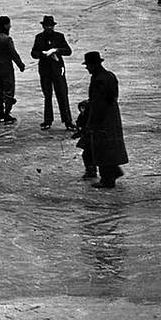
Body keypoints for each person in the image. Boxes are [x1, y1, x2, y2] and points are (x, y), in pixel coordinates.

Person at [81, 51, 127, 189]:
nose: (87, 68)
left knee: (102, 149)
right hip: (112, 116)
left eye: (88, 65)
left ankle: (107, 180)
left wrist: (92, 123)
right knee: (109, 147)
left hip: (102, 118)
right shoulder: (109, 75)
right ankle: (113, 172)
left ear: (94, 65)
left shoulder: (99, 80)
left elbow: (98, 103)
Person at [31, 15, 74, 130]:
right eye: (47, 26)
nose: (49, 28)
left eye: (51, 26)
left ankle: (68, 121)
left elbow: (68, 51)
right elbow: (33, 53)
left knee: (62, 95)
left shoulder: (59, 37)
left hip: (57, 70)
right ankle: (48, 120)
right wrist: (43, 54)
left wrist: (56, 50)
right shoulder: (39, 37)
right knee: (47, 96)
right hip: (45, 70)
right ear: (43, 26)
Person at [0, 15, 25, 123]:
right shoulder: (7, 39)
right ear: (6, 25)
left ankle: (0, 112)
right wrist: (21, 65)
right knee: (9, 92)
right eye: (9, 24)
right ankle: (7, 113)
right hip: (6, 69)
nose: (10, 26)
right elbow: (13, 54)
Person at [70, 99, 95, 179]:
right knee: (88, 155)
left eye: (84, 108)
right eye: (81, 108)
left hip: (91, 139)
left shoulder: (90, 117)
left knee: (89, 155)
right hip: (87, 138)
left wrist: (79, 133)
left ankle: (91, 171)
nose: (82, 110)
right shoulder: (82, 116)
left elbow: (86, 128)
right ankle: (90, 170)